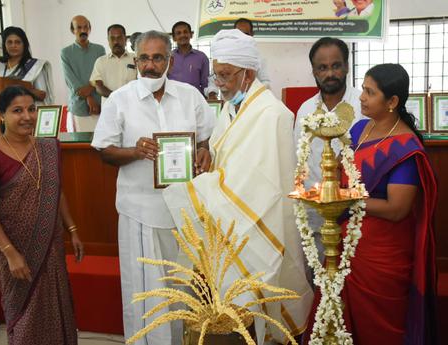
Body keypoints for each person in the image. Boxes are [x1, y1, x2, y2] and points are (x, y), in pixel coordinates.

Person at [162, 29, 313, 344]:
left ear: (249, 73)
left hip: (260, 226)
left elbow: (263, 186)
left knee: (262, 314)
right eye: (217, 75)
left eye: (227, 75)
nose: (220, 83)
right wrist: (209, 156)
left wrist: (200, 188)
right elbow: (227, 156)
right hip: (230, 228)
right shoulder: (232, 108)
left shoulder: (272, 115)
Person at [91, 30, 215, 345]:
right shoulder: (119, 100)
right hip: (139, 212)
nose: (150, 64)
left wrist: (205, 150)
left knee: (181, 288)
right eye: (144, 58)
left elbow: (206, 139)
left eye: (157, 57)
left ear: (169, 61)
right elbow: (104, 151)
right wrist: (134, 151)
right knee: (144, 291)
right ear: (136, 60)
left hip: (183, 213)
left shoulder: (190, 96)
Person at [317, 63, 436, 344]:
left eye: (370, 93)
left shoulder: (405, 147)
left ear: (392, 102)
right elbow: (341, 170)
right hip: (345, 239)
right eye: (363, 90)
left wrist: (345, 198)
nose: (361, 98)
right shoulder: (359, 129)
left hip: (382, 252)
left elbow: (397, 210)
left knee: (380, 328)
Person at [0, 85, 84, 344]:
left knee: (56, 309)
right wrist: (10, 253)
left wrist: (73, 230)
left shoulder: (48, 147)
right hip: (13, 247)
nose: (27, 116)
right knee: (24, 317)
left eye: (31, 109)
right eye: (17, 111)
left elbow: (57, 191)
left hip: (50, 245)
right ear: (1, 115)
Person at [294, 37, 364, 259]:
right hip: (315, 210)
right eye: (322, 68)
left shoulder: (363, 107)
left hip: (355, 210)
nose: (329, 73)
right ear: (314, 72)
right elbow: (298, 161)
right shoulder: (305, 110)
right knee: (319, 279)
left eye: (336, 66)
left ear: (346, 67)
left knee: (352, 276)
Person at [0, 26, 55, 105]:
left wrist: (15, 89)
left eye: (17, 42)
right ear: (4, 44)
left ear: (24, 45)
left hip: (26, 111)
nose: (13, 45)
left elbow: (42, 95)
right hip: (1, 111)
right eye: (9, 42)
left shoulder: (34, 66)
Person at [61, 15, 106, 132]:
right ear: (73, 30)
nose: (83, 31)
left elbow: (102, 75)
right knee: (80, 147)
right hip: (78, 108)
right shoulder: (66, 53)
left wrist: (91, 89)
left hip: (99, 107)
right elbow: (72, 82)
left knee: (102, 147)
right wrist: (89, 97)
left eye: (86, 27)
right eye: (79, 27)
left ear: (90, 29)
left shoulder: (99, 50)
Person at [90, 24, 137, 101]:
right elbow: (98, 87)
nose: (116, 42)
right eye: (112, 38)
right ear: (108, 40)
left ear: (125, 39)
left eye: (119, 38)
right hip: (109, 108)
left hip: (131, 106)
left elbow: (141, 82)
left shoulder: (136, 59)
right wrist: (117, 97)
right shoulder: (101, 61)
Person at [167, 21, 210, 95]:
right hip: (172, 99)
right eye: (178, 33)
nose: (182, 35)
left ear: (191, 35)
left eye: (185, 32)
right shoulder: (167, 57)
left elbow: (205, 84)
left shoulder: (202, 57)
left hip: (195, 101)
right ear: (174, 38)